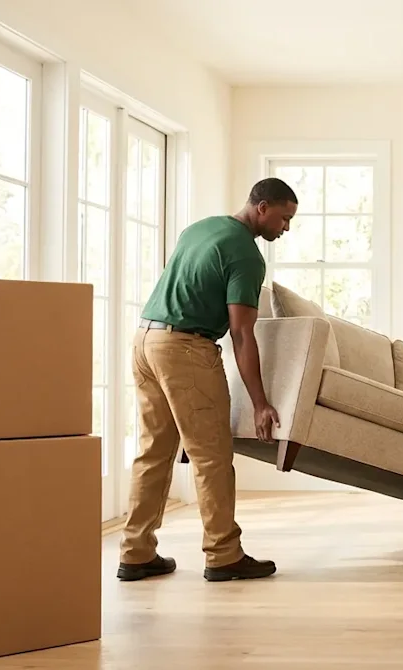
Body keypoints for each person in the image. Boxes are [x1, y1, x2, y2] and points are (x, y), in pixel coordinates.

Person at [116, 178, 297, 582]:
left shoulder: (199, 228)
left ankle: (136, 551)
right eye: (284, 218)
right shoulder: (247, 256)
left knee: (153, 453)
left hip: (146, 340)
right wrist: (260, 402)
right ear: (262, 207)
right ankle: (223, 554)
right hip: (184, 350)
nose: (286, 228)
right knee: (211, 456)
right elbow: (242, 333)